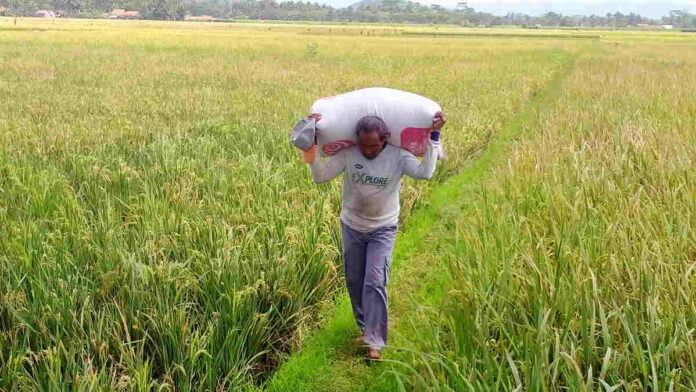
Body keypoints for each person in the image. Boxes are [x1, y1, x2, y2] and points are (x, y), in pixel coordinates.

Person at [305, 112, 446, 361]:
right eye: (364, 145)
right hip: (352, 225)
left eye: (374, 145)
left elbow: (425, 173)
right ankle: (365, 328)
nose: (368, 150)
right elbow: (321, 176)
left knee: (375, 280)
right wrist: (312, 143)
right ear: (356, 141)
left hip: (383, 227)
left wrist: (435, 137)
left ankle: (375, 343)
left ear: (385, 139)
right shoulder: (349, 154)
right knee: (355, 281)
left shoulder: (398, 156)